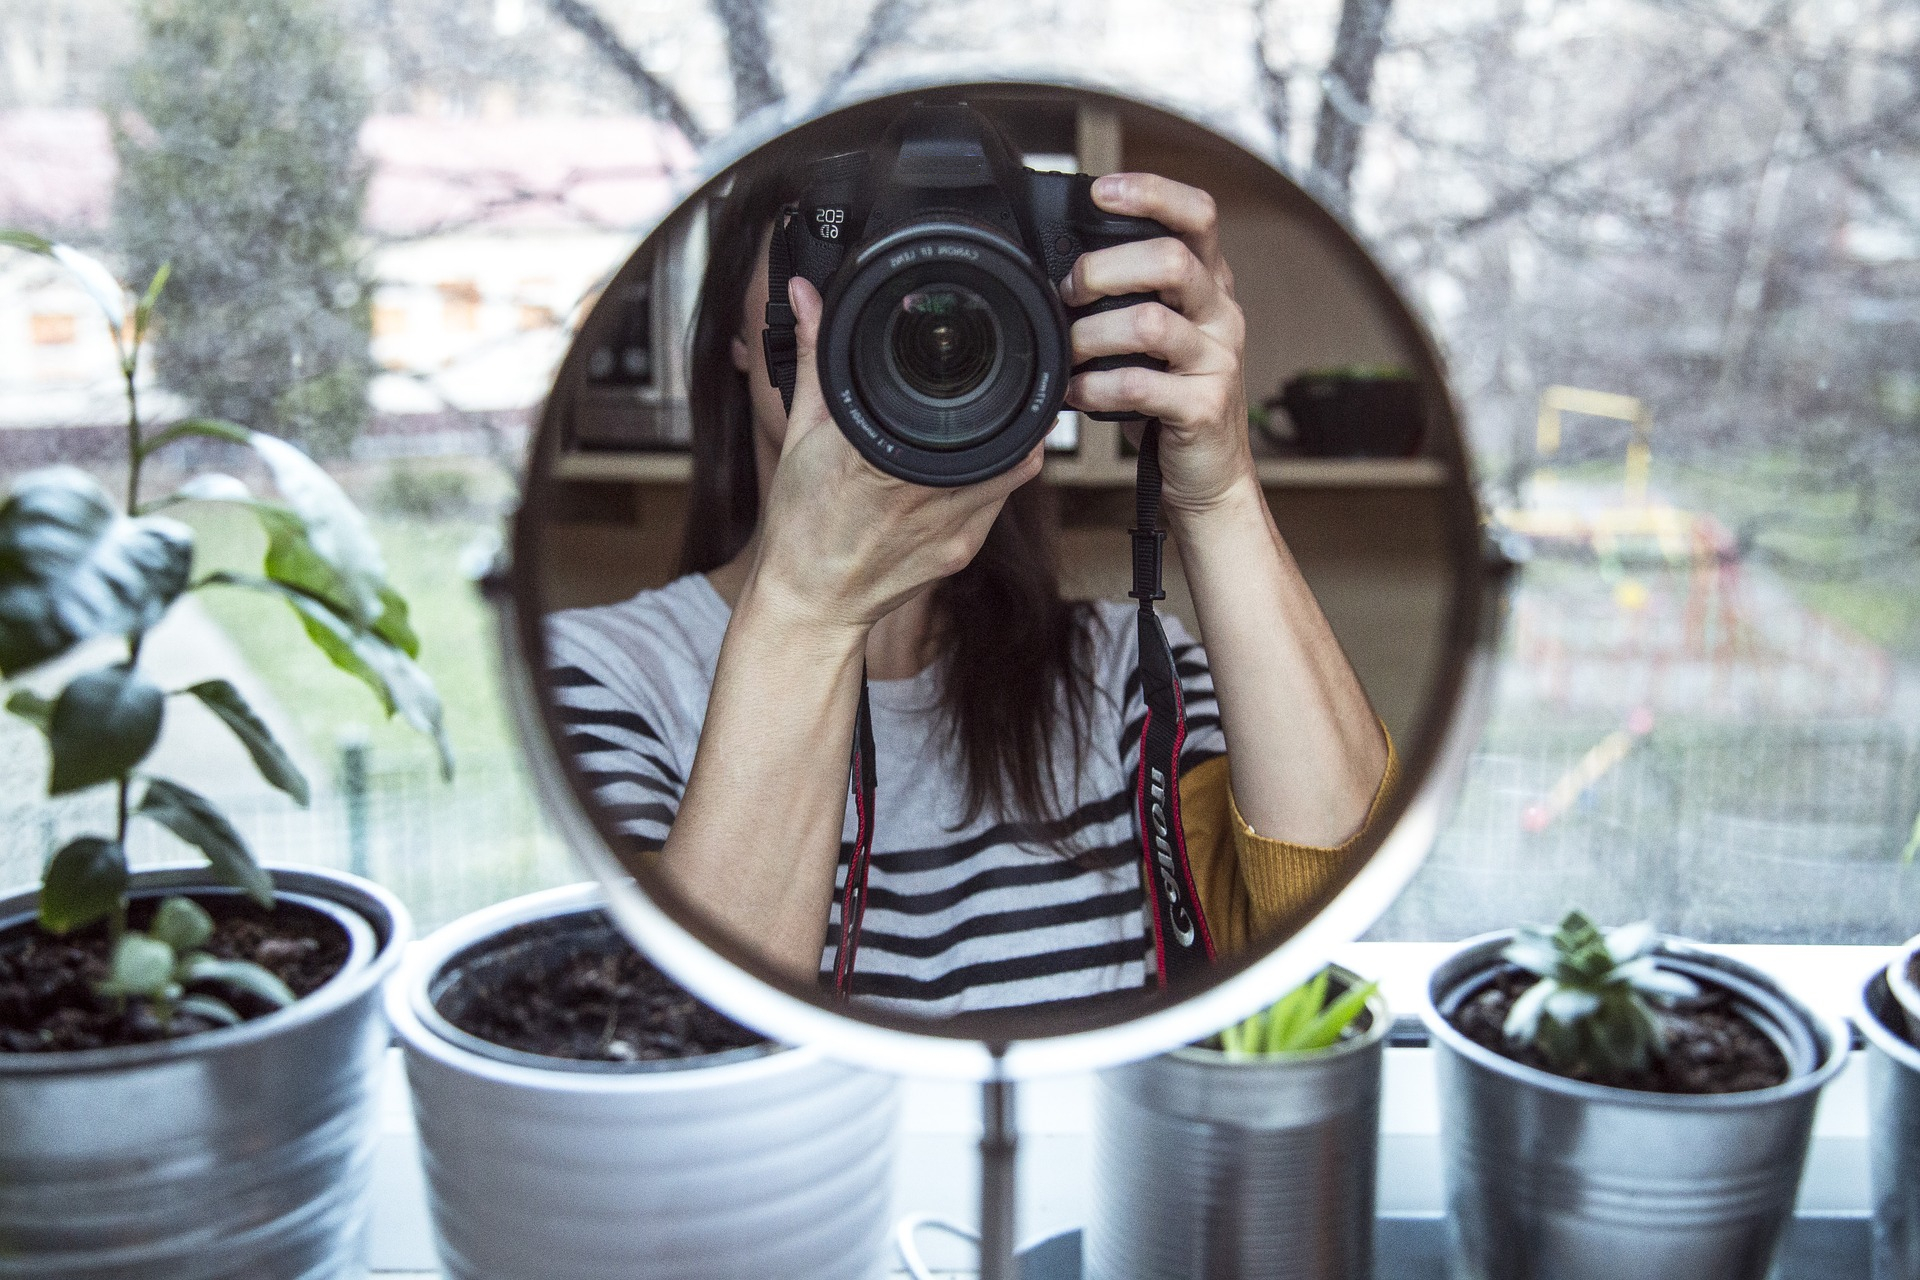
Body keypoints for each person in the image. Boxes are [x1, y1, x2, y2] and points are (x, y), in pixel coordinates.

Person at [547, 157, 1397, 1018]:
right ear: (741, 323)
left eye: (965, 245)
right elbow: (669, 1052)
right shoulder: (606, 675)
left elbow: (1322, 944)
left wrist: (1217, 492)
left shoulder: (1122, 677)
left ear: (1052, 304)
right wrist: (808, 608)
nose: (919, 283)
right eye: (850, 234)